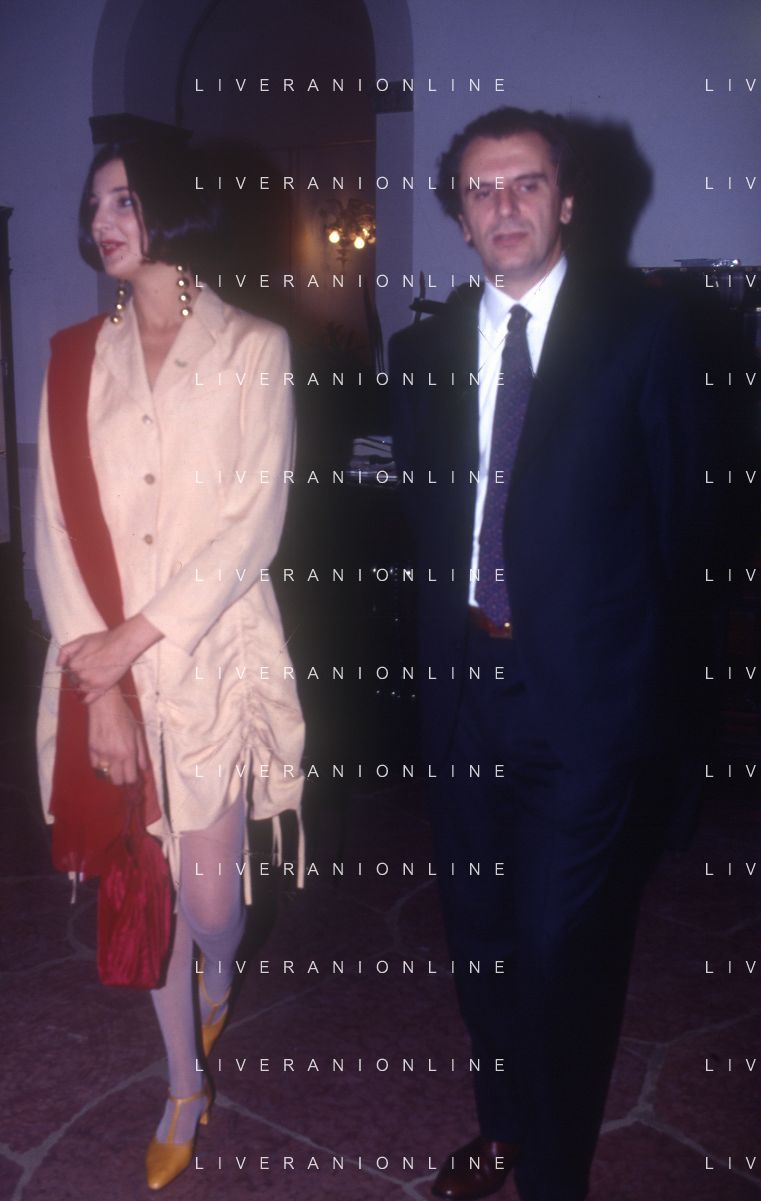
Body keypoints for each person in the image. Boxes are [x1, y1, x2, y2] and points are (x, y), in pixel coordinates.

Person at [389, 107, 710, 1201]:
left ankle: (554, 1176)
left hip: (586, 703)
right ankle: (504, 1129)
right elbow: (429, 523)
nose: (504, 206)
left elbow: (681, 531)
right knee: (479, 935)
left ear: (565, 199)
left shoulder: (644, 333)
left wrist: (665, 711)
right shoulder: (420, 354)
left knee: (557, 945)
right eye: (480, 190)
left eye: (525, 182)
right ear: (458, 218)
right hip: (462, 694)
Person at [35, 136, 304, 1190]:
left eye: (124, 200)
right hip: (101, 667)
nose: (102, 221)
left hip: (213, 655)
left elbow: (252, 528)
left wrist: (136, 640)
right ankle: (183, 1082)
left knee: (210, 906)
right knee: (139, 880)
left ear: (178, 205)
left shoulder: (254, 348)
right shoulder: (74, 358)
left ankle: (220, 973)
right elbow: (55, 528)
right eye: (94, 204)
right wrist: (98, 680)